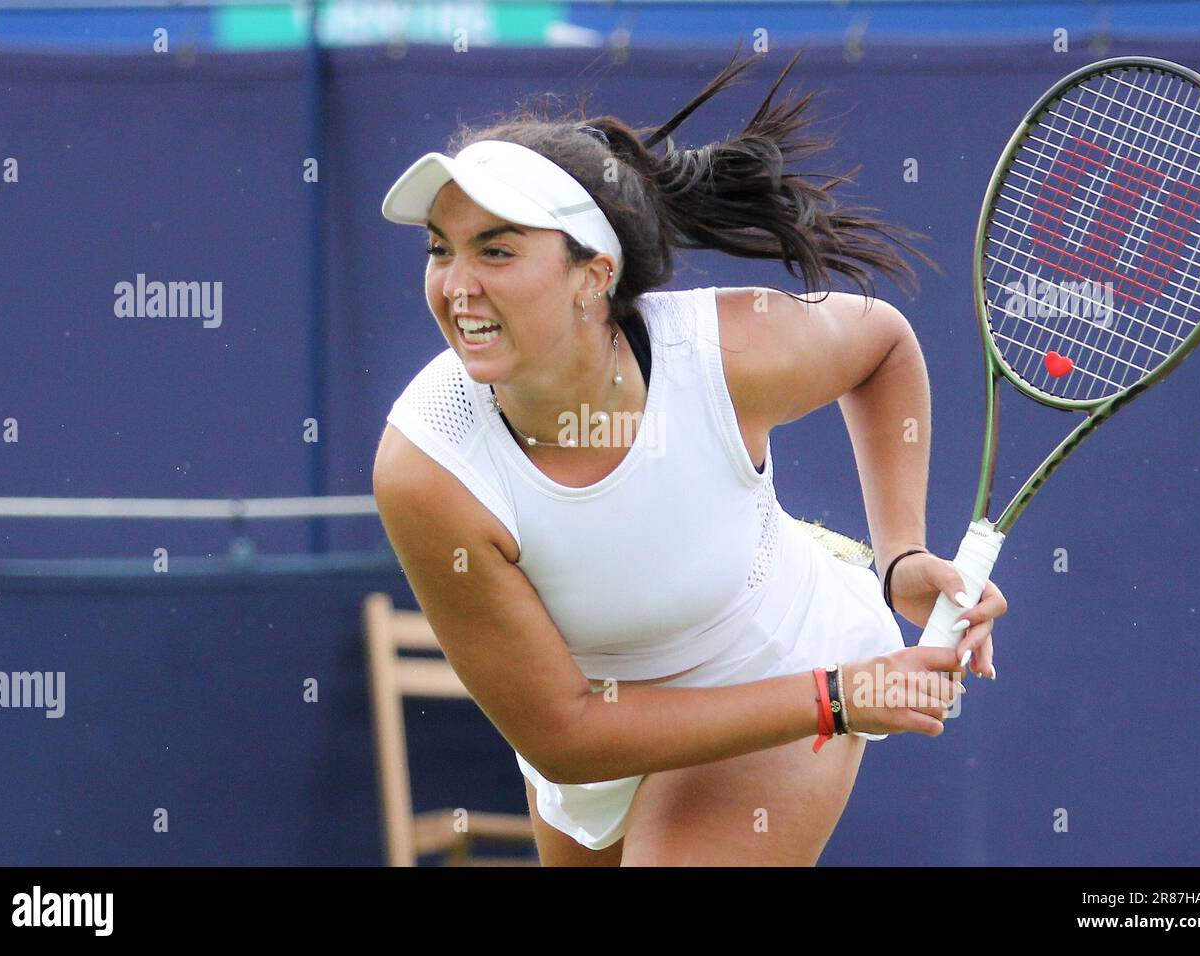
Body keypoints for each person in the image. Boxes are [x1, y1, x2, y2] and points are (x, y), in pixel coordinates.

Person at [372, 49, 1008, 866]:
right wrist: (845, 695)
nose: (457, 284)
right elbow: (566, 731)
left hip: (776, 653)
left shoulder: (725, 351)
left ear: (593, 276)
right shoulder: (426, 468)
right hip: (595, 729)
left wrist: (901, 561)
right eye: (439, 249)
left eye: (496, 251)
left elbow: (879, 346)